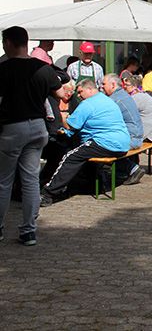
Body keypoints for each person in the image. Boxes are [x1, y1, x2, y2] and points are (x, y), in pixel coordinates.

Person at [0, 27, 65, 246]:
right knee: (30, 180)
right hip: (38, 127)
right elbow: (61, 92)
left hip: (12, 127)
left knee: (4, 181)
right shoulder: (43, 68)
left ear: (8, 43)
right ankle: (29, 231)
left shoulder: (3, 68)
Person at [41, 79, 130, 206]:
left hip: (105, 142)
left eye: (80, 92)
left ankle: (48, 193)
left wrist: (63, 117)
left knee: (71, 157)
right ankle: (90, 184)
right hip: (122, 143)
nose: (78, 95)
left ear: (89, 89)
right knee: (83, 152)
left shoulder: (88, 104)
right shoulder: (106, 100)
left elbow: (71, 126)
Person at [102, 73, 146, 184]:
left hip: (132, 138)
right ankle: (124, 170)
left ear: (113, 85)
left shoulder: (114, 100)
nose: (101, 87)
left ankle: (132, 169)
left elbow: (105, 121)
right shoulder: (123, 95)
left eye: (104, 84)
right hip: (137, 134)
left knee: (100, 146)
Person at [122, 74, 152, 163]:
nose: (124, 87)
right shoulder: (144, 95)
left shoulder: (136, 98)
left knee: (128, 139)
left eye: (127, 85)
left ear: (134, 86)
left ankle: (131, 165)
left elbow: (126, 115)